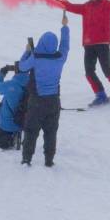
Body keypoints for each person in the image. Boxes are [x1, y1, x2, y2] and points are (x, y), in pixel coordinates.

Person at [60, 0, 110, 106]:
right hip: (88, 44)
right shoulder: (85, 7)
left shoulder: (106, 5)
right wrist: (59, 1)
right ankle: (101, 95)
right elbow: (71, 7)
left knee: (106, 69)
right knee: (89, 72)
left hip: (102, 43)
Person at [18, 12, 70, 167]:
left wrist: (27, 51)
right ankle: (49, 160)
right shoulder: (60, 57)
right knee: (51, 131)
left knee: (31, 131)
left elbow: (22, 67)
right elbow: (65, 45)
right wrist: (65, 27)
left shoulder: (35, 57)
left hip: (37, 101)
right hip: (54, 100)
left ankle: (27, 159)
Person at [0, 55, 30, 150]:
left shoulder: (11, 85)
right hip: (23, 122)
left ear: (16, 71)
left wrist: (2, 72)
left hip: (7, 123)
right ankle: (15, 133)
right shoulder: (32, 84)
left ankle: (10, 140)